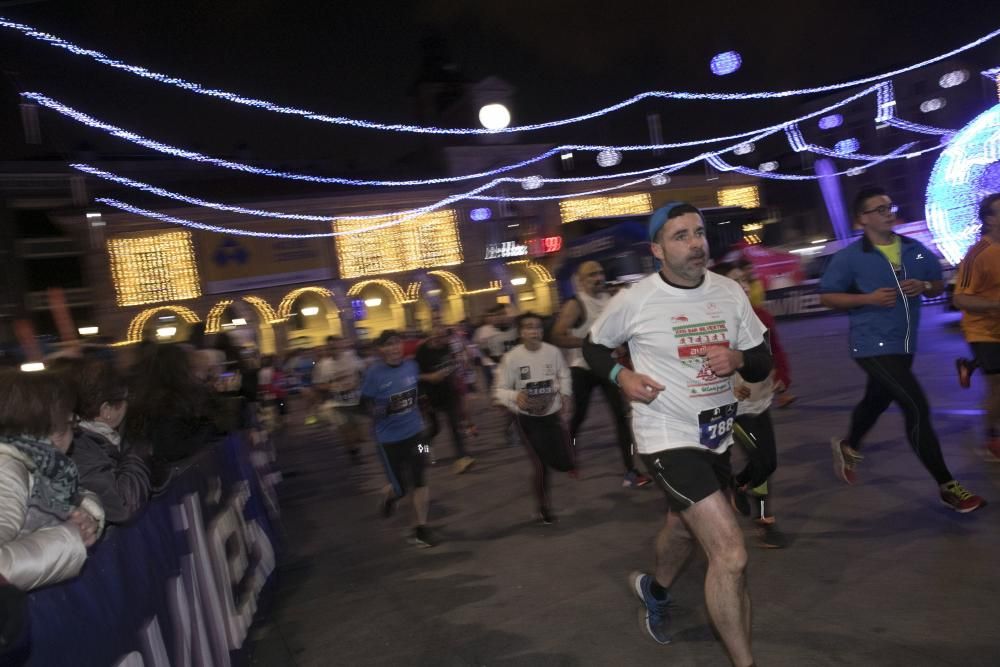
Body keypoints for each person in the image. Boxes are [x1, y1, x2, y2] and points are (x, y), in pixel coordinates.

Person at [584, 202, 771, 666]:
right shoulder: (636, 299)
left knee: (684, 528)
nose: (695, 244)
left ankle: (657, 589)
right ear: (657, 250)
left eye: (699, 233)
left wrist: (740, 359)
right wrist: (620, 376)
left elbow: (762, 358)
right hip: (664, 434)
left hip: (716, 436)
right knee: (730, 554)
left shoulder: (729, 292)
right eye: (681, 236)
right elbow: (593, 347)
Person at [820, 186, 984, 512]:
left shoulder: (915, 249)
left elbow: (937, 284)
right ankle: (947, 485)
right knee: (916, 406)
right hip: (871, 344)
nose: (888, 212)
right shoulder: (849, 258)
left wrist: (924, 286)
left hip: (905, 343)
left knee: (876, 400)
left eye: (889, 206)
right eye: (879, 209)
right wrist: (866, 299)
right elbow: (828, 297)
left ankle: (848, 444)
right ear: (861, 220)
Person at [0, 369, 105, 591]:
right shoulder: (7, 468)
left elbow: (72, 495)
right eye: (69, 423)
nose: (73, 433)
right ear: (50, 428)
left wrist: (86, 511)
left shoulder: (37, 466)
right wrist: (70, 538)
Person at [552, 260, 651, 488]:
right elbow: (556, 336)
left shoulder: (612, 300)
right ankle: (569, 456)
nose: (598, 277)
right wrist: (588, 344)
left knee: (621, 418)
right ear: (580, 280)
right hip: (583, 369)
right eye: (591, 275)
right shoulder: (575, 304)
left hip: (609, 367)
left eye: (600, 272)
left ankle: (630, 471)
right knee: (579, 417)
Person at [712, 263, 789, 549]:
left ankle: (739, 484)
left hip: (761, 400)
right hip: (735, 408)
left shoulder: (761, 316)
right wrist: (730, 384)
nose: (743, 285)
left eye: (745, 280)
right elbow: (707, 360)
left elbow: (775, 351)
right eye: (735, 281)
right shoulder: (716, 321)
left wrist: (782, 376)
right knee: (761, 459)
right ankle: (765, 522)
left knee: (769, 462)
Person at [494, 312, 574, 524]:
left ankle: (564, 462)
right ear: (521, 332)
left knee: (565, 462)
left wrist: (565, 395)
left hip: (552, 415)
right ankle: (543, 508)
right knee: (540, 466)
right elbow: (499, 391)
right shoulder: (511, 358)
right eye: (528, 327)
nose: (534, 331)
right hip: (527, 420)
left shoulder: (553, 352)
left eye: (537, 326)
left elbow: (564, 374)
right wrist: (515, 395)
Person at [361, 330, 438, 548]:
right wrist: (382, 409)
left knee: (421, 476)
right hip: (389, 440)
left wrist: (427, 445)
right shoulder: (374, 374)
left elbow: (418, 395)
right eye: (388, 345)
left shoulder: (411, 367)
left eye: (397, 344)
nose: (394, 349)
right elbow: (364, 406)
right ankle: (390, 495)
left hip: (416, 432)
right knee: (401, 488)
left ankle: (420, 529)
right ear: (381, 350)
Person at [65, 358, 151, 524]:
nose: (128, 405)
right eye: (126, 399)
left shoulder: (97, 438)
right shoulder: (81, 449)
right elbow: (123, 506)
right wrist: (137, 453)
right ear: (107, 411)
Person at [953, 194, 1000, 461]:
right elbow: (959, 297)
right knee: (998, 386)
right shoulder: (976, 255)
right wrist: (995, 304)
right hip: (982, 329)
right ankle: (991, 438)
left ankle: (968, 365)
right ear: (990, 219)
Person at [416, 319, 475, 473]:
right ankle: (421, 451)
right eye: (436, 337)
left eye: (442, 337)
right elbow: (414, 375)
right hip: (429, 396)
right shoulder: (422, 351)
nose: (439, 340)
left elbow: (452, 363)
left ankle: (462, 457)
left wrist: (455, 372)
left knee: (455, 425)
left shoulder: (447, 347)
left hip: (448, 392)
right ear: (430, 336)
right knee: (434, 429)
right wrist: (431, 377)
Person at [325, 337, 368, 463]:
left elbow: (362, 371)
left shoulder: (351, 357)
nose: (333, 350)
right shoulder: (325, 365)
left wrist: (356, 382)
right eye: (331, 348)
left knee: (361, 434)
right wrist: (333, 386)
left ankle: (355, 447)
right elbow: (319, 384)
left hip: (355, 398)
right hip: (338, 401)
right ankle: (353, 453)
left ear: (340, 346)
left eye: (335, 346)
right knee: (345, 429)